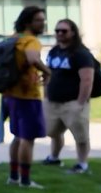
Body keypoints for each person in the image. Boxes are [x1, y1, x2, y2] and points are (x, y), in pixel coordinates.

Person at [40, 20, 96, 173]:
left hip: (72, 102)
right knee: (52, 132)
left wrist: (81, 102)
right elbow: (47, 75)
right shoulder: (54, 51)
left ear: (73, 32)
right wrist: (45, 95)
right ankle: (54, 157)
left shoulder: (81, 53)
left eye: (63, 31)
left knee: (80, 136)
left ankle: (82, 164)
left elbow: (87, 79)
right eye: (57, 30)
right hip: (52, 102)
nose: (59, 34)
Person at [4, 6, 51, 189]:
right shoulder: (31, 41)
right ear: (28, 22)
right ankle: (25, 180)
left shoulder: (14, 39)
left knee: (17, 137)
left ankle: (13, 176)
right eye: (39, 20)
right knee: (27, 139)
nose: (42, 23)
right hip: (27, 96)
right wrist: (48, 71)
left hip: (11, 95)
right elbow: (32, 59)